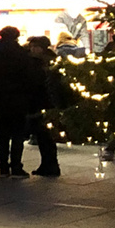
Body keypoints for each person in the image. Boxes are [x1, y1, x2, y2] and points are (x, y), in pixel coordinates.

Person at [0, 25, 37, 177]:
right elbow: (30, 76)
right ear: (16, 36)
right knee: (17, 133)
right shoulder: (22, 53)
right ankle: (16, 166)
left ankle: (3, 166)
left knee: (2, 133)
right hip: (18, 97)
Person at [27, 36, 67, 177]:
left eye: (33, 47)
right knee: (45, 136)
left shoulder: (42, 64)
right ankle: (49, 165)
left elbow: (44, 85)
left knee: (45, 136)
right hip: (48, 103)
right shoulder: (52, 61)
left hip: (44, 103)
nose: (31, 49)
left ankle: (49, 166)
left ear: (40, 48)